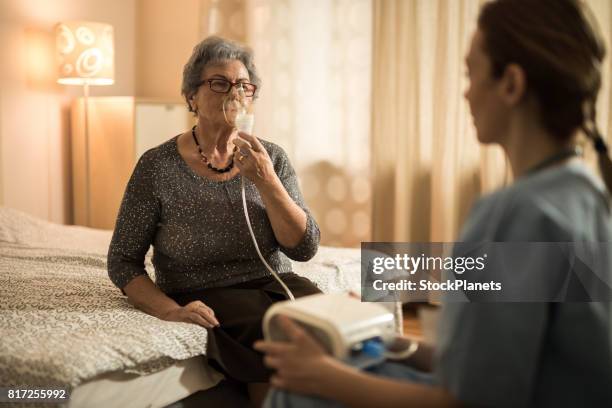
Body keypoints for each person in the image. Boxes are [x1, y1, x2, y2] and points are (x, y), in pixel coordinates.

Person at [255, 0, 612, 406]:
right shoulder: (586, 195)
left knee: (296, 392)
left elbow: (472, 401)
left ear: (511, 84)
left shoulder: (517, 213)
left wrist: (322, 378)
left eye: (470, 74)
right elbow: (502, 364)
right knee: (355, 362)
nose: (466, 92)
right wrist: (385, 339)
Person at [107, 36, 321, 406]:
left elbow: (304, 248)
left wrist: (266, 180)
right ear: (192, 97)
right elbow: (123, 260)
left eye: (243, 86)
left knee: (326, 321)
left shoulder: (271, 158)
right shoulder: (157, 167)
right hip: (203, 290)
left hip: (275, 281)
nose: (233, 93)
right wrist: (170, 310)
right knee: (273, 329)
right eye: (219, 83)